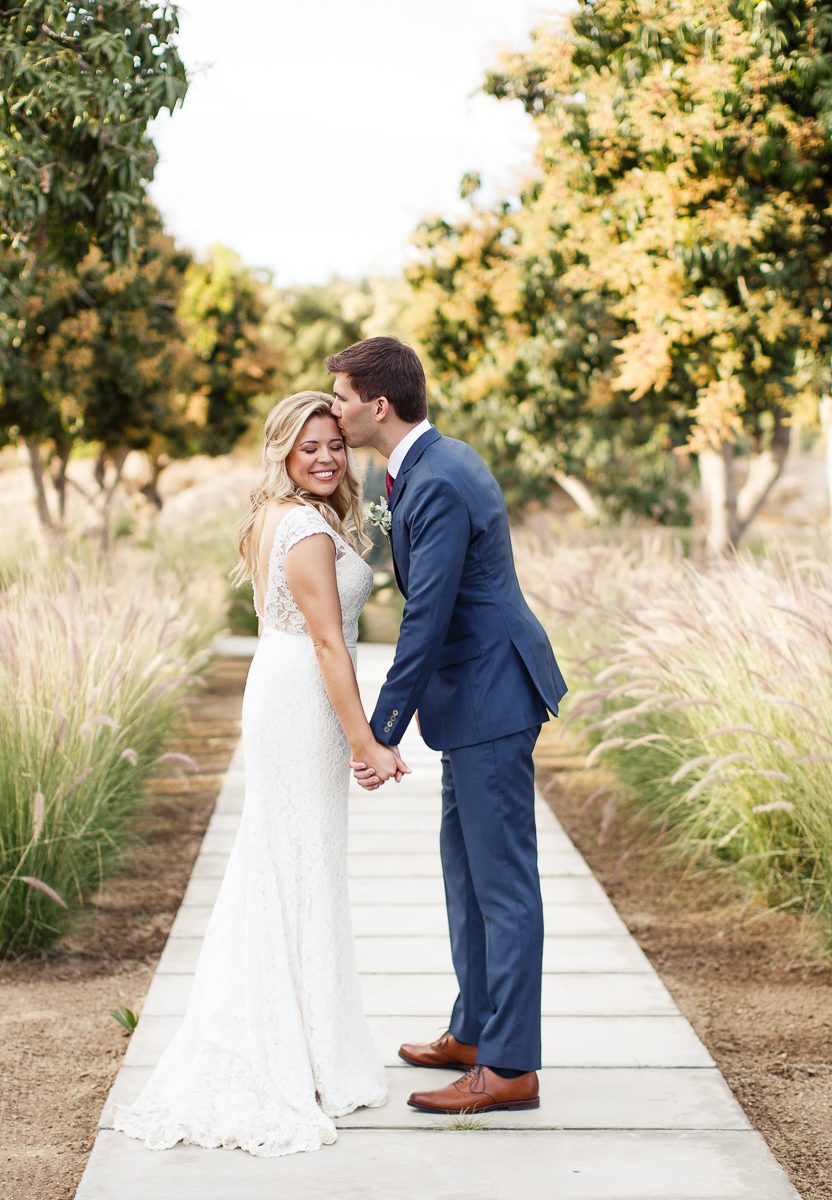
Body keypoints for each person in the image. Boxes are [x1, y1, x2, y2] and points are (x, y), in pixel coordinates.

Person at [109, 392, 395, 1157]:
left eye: (335, 444)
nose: (328, 457)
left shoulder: (284, 513)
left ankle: (308, 1045)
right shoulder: (303, 527)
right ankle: (289, 1055)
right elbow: (331, 647)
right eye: (311, 448)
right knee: (294, 860)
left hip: (284, 687)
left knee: (294, 859)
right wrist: (365, 741)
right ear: (284, 453)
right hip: (303, 700)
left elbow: (291, 632)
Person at [330, 336, 567, 1116]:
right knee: (466, 874)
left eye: (339, 397)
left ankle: (509, 1068)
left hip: (493, 695)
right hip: (473, 696)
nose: (333, 409)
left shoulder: (437, 479)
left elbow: (426, 613)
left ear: (378, 405)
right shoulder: (421, 467)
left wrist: (382, 726)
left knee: (503, 888)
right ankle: (473, 1031)